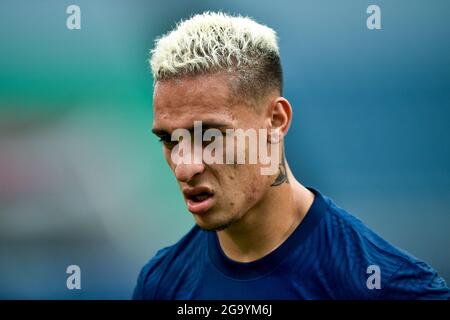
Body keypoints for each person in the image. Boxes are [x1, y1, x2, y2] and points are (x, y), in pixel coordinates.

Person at [133, 11, 449, 299]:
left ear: (276, 121)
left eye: (209, 136)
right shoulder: (161, 285)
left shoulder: (390, 288)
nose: (185, 168)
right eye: (170, 140)